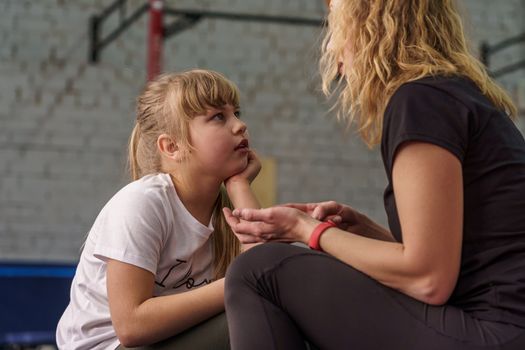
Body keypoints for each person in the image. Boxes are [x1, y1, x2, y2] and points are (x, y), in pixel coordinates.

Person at [222, 0, 525, 349]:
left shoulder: (421, 100)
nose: (332, 46)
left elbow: (429, 279)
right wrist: (366, 233)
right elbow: (460, 258)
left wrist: (305, 229)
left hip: (494, 330)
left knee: (258, 270)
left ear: (366, 25)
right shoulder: (455, 94)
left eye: (335, 20)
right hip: (502, 323)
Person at [56, 69, 260, 350]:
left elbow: (262, 265)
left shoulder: (222, 206)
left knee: (264, 306)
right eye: (218, 117)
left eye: (236, 113)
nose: (240, 125)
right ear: (172, 146)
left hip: (163, 340)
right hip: (112, 346)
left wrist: (240, 187)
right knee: (254, 316)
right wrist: (238, 284)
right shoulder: (142, 203)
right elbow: (131, 326)